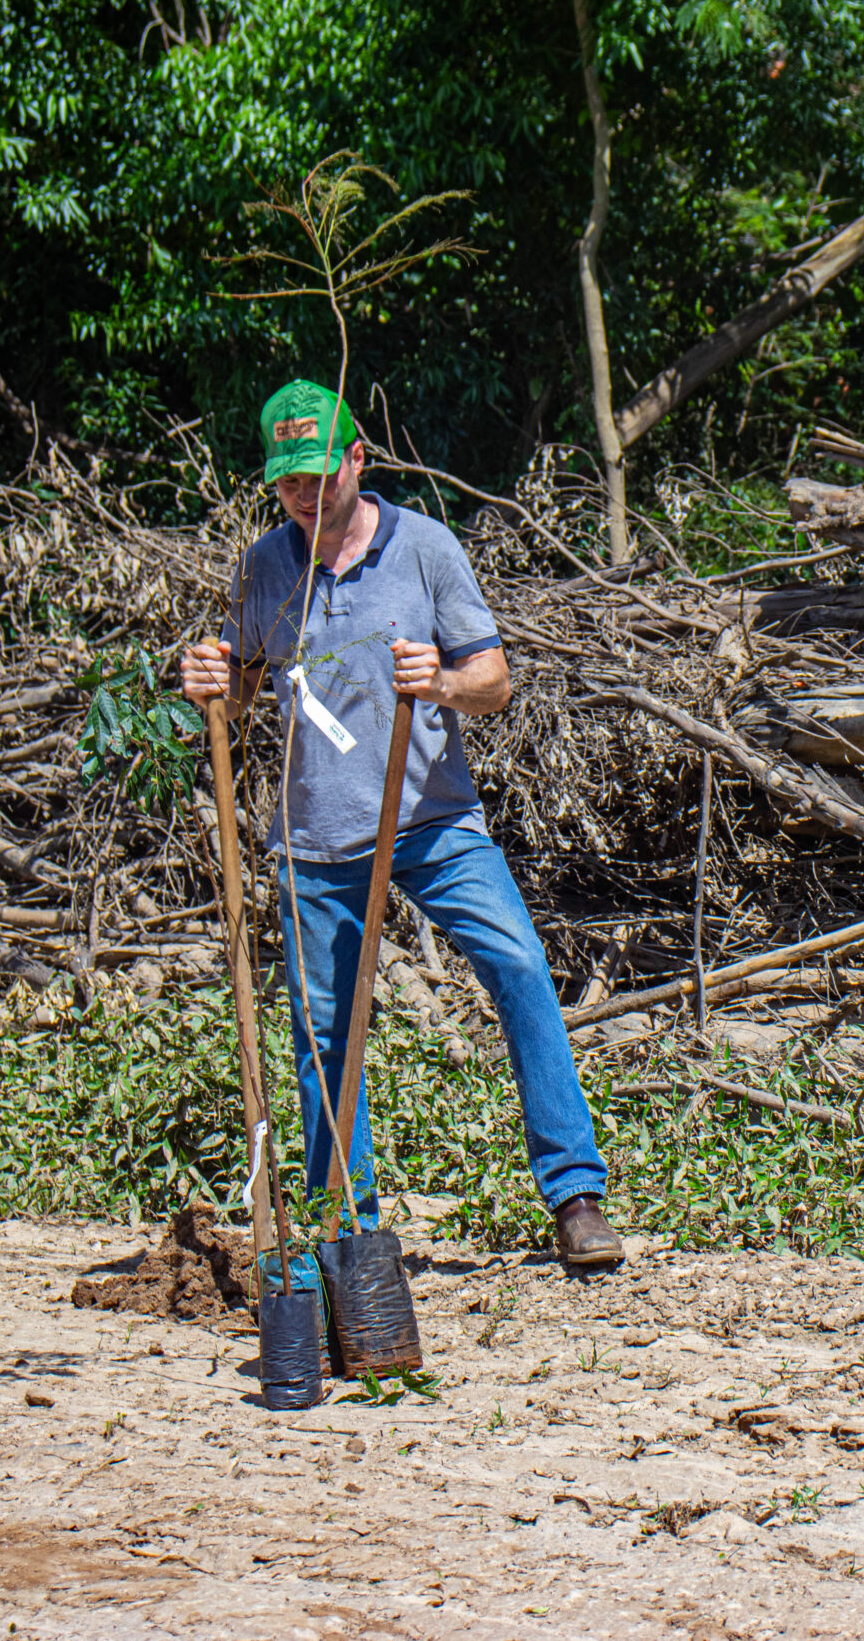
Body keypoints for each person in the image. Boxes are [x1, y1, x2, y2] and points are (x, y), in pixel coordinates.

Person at [181, 378, 625, 1269]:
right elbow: (240, 681)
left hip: (431, 821)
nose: (305, 496)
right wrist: (211, 681)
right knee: (325, 1037)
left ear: (355, 458)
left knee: (520, 967)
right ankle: (350, 1228)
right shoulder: (267, 565)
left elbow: (495, 679)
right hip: (314, 840)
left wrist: (444, 681)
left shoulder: (424, 549)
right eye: (287, 482)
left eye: (317, 475)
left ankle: (575, 1194)